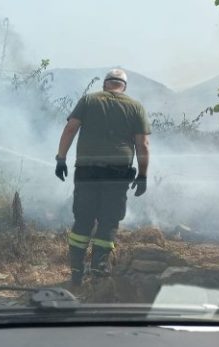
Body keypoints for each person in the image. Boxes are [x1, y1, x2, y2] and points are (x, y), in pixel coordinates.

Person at [55, 68, 151, 286]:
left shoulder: (89, 100)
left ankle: (76, 273)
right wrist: (143, 174)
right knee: (109, 221)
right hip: (118, 173)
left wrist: (61, 159)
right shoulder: (136, 107)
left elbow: (70, 129)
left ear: (106, 84)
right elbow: (143, 144)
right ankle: (99, 270)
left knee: (83, 219)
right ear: (123, 86)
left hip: (87, 170)